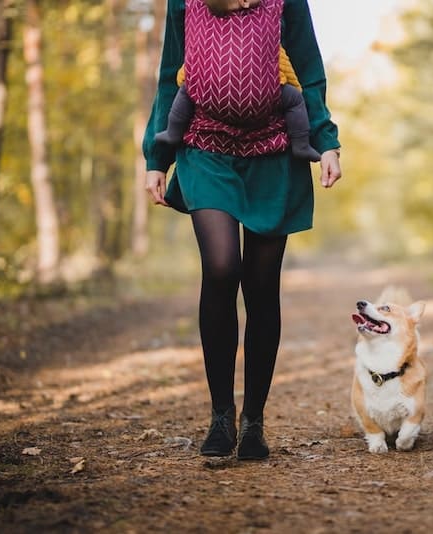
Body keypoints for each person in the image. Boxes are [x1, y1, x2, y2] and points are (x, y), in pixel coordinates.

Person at [143, 0, 341, 461]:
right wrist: (156, 157)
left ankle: (253, 421)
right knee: (221, 266)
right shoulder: (186, 3)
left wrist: (326, 142)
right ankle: (220, 416)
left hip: (274, 153)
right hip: (205, 147)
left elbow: (309, 71)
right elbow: (169, 70)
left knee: (260, 284)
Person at [155, 47, 322, 162]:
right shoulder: (263, 28)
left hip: (212, 87)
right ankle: (301, 145)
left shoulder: (209, 30)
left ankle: (173, 132)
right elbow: (282, 61)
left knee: (186, 90)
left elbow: (192, 62)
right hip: (263, 89)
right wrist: (294, 86)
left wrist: (184, 79)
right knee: (295, 101)